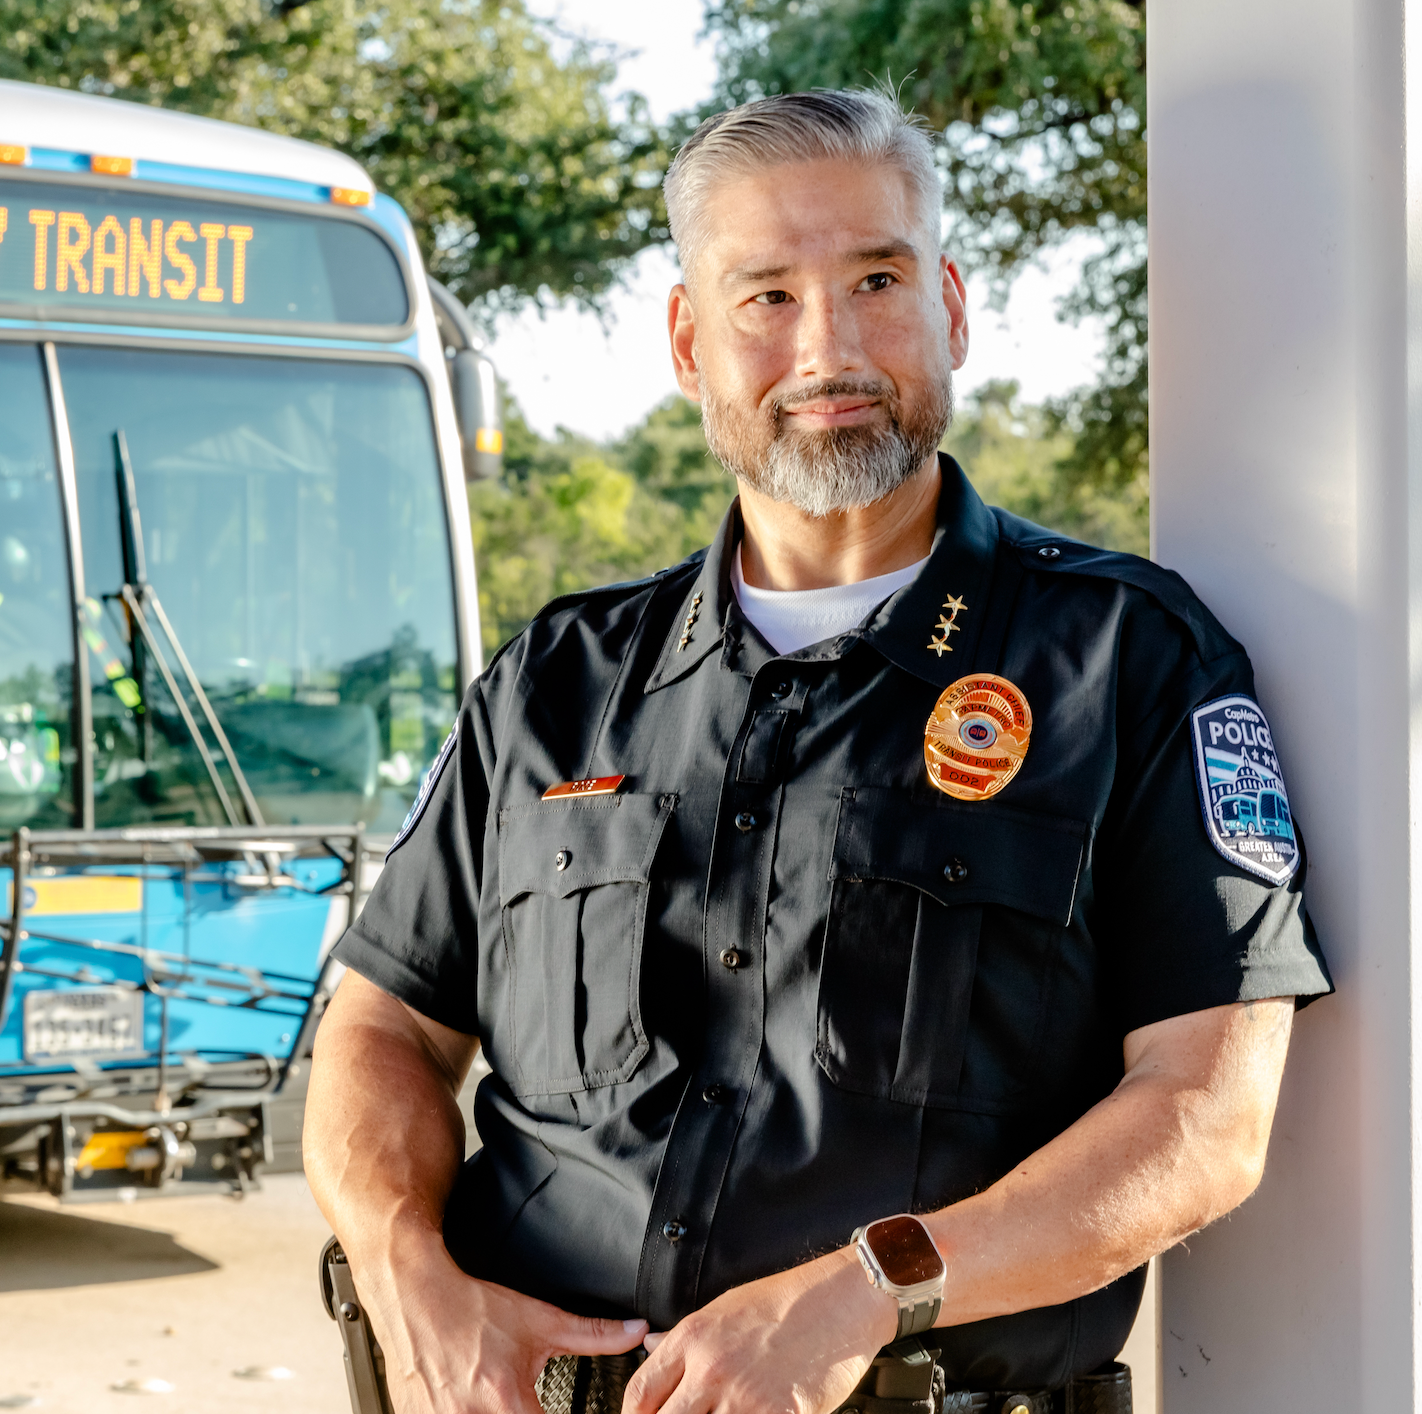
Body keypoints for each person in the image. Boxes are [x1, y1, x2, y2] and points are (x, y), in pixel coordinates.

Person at [303, 89, 1332, 1414]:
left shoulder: (1129, 663)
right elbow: (381, 1026)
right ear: (689, 339)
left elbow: (1204, 1115)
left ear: (951, 307)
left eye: (876, 279)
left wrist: (867, 1286)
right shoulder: (553, 680)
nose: (827, 347)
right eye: (764, 295)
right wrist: (401, 1271)